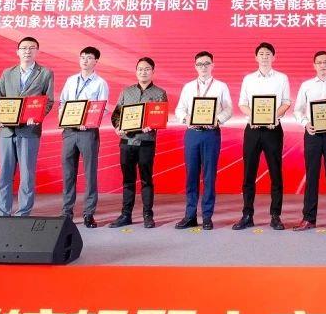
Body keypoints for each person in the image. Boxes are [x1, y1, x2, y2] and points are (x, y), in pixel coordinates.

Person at [0, 36, 54, 218]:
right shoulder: (7, 73)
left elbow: (48, 101)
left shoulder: (45, 73)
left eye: (31, 48)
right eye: (24, 48)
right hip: (6, 131)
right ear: (17, 52)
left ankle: (23, 213)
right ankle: (2, 213)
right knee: (5, 173)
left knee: (27, 174)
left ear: (37, 51)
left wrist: (37, 117)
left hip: (29, 130)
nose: (27, 51)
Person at [233, 42, 292, 231]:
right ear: (256, 57)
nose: (265, 57)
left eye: (268, 54)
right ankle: (247, 214)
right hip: (252, 129)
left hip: (273, 129)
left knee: (275, 173)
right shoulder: (248, 79)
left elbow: (286, 102)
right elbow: (242, 103)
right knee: (249, 173)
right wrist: (253, 116)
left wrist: (274, 116)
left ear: (274, 57)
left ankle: (275, 215)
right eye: (261, 54)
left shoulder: (282, 78)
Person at [175, 50, 233, 230]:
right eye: (200, 64)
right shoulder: (188, 87)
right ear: (195, 67)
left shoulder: (221, 86)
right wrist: (186, 118)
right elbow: (179, 109)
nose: (203, 67)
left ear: (212, 65)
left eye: (207, 63)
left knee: (209, 176)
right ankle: (190, 215)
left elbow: (228, 109)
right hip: (192, 134)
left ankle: (207, 216)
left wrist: (218, 120)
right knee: (191, 175)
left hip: (211, 134)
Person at [291, 50, 326, 231]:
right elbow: (297, 110)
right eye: (319, 62)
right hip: (313, 134)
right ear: (314, 65)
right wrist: (305, 123)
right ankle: (309, 218)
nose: (323, 65)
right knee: (312, 175)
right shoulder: (306, 85)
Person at [109, 56, 167, 228]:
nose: (143, 72)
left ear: (153, 71)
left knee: (146, 179)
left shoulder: (159, 93)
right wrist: (118, 127)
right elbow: (116, 114)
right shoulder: (126, 92)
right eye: (140, 69)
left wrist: (153, 125)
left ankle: (148, 215)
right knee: (128, 180)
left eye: (147, 69)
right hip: (126, 142)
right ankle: (125, 214)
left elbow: (161, 117)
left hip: (146, 142)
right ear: (136, 71)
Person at [58, 46, 110, 228]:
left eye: (89, 58)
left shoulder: (100, 83)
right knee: (68, 173)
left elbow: (102, 108)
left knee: (89, 173)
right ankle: (67, 211)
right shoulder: (71, 80)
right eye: (82, 57)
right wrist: (64, 120)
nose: (85, 60)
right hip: (69, 132)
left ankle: (89, 213)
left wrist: (87, 121)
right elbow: (62, 103)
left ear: (96, 61)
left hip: (88, 132)